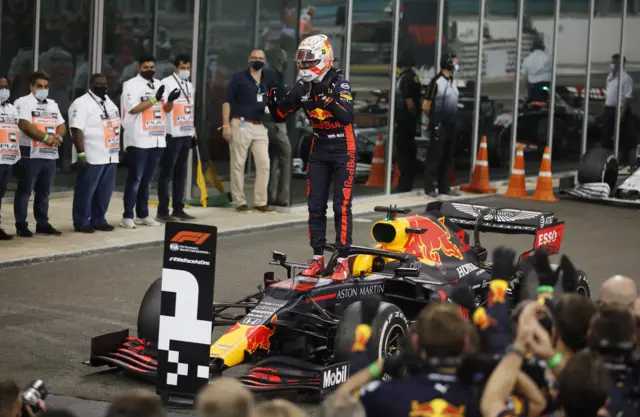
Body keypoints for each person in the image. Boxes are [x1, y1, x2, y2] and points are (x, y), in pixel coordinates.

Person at [267, 34, 355, 280]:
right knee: (315, 206)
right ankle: (317, 259)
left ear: (324, 58)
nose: (304, 65)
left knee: (341, 206)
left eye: (309, 59)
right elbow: (280, 114)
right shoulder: (301, 86)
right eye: (301, 60)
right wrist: (273, 102)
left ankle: (343, 261)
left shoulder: (339, 83)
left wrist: (326, 98)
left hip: (342, 148)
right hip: (318, 149)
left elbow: (347, 117)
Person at [120, 54, 180, 229]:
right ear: (139, 67)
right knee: (135, 179)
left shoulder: (159, 84)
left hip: (157, 138)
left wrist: (170, 100)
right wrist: (154, 99)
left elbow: (167, 110)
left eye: (152, 67)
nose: (150, 70)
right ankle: (127, 215)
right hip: (139, 138)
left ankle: (143, 214)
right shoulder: (130, 85)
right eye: (146, 67)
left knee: (147, 180)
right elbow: (133, 109)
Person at [14, 71, 66, 237]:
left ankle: (42, 223)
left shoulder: (52, 104)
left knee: (44, 192)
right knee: (25, 191)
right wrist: (45, 137)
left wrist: (58, 136)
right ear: (31, 87)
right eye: (39, 86)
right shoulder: (23, 102)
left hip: (49, 155)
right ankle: (21, 224)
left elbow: (62, 124)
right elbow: (24, 124)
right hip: (30, 153)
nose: (43, 89)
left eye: (45, 86)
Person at [221, 48, 273, 213]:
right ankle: (239, 201)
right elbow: (226, 101)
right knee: (238, 163)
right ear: (249, 59)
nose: (257, 60)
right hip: (241, 123)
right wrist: (226, 125)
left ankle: (260, 201)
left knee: (264, 163)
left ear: (264, 61)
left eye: (260, 58)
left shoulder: (266, 80)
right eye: (254, 57)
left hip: (260, 126)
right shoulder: (239, 78)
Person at [68, 73, 120, 233]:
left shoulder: (108, 102)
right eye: (98, 84)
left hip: (110, 154)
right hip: (92, 154)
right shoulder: (81, 103)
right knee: (86, 190)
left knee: (105, 191)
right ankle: (81, 221)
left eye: (104, 83)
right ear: (90, 84)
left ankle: (99, 219)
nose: (102, 86)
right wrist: (81, 154)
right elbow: (76, 129)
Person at [157, 53, 197, 222]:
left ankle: (178, 208)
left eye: (188, 68)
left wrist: (194, 131)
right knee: (167, 172)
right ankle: (162, 210)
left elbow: (190, 109)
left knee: (181, 172)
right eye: (182, 68)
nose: (185, 71)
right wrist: (171, 101)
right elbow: (164, 108)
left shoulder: (189, 86)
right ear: (175, 67)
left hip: (186, 132)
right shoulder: (166, 83)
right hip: (172, 133)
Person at [422, 53, 460, 198]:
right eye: (455, 62)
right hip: (439, 125)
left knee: (447, 158)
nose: (457, 65)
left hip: (451, 125)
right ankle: (429, 187)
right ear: (449, 63)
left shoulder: (452, 81)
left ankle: (444, 187)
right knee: (434, 158)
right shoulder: (436, 82)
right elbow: (426, 105)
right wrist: (434, 121)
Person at [264, 48, 292, 207]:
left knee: (274, 159)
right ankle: (283, 196)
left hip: (270, 122)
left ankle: (271, 195)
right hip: (276, 124)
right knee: (285, 157)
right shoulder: (274, 76)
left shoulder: (272, 75)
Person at [394, 50, 422, 193]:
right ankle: (406, 182)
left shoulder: (405, 78)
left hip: (404, 121)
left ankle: (404, 184)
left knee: (404, 153)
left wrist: (413, 117)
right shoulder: (413, 77)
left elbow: (409, 101)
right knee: (408, 151)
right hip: (407, 121)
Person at [601, 54, 634, 161]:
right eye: (611, 62)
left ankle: (622, 158)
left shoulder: (626, 78)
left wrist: (622, 113)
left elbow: (628, 97)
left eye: (614, 63)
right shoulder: (610, 76)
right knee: (606, 133)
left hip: (619, 109)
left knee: (621, 134)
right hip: (609, 108)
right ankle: (604, 156)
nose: (612, 65)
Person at [0, 77, 20, 240]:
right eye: (0, 87)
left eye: (6, 87)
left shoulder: (12, 109)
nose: (4, 90)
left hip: (8, 159)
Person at [521, 38, 552, 102]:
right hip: (545, 85)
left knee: (531, 98)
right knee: (546, 92)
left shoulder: (527, 59)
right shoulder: (548, 57)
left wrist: (526, 88)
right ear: (543, 47)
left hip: (533, 85)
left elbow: (524, 75)